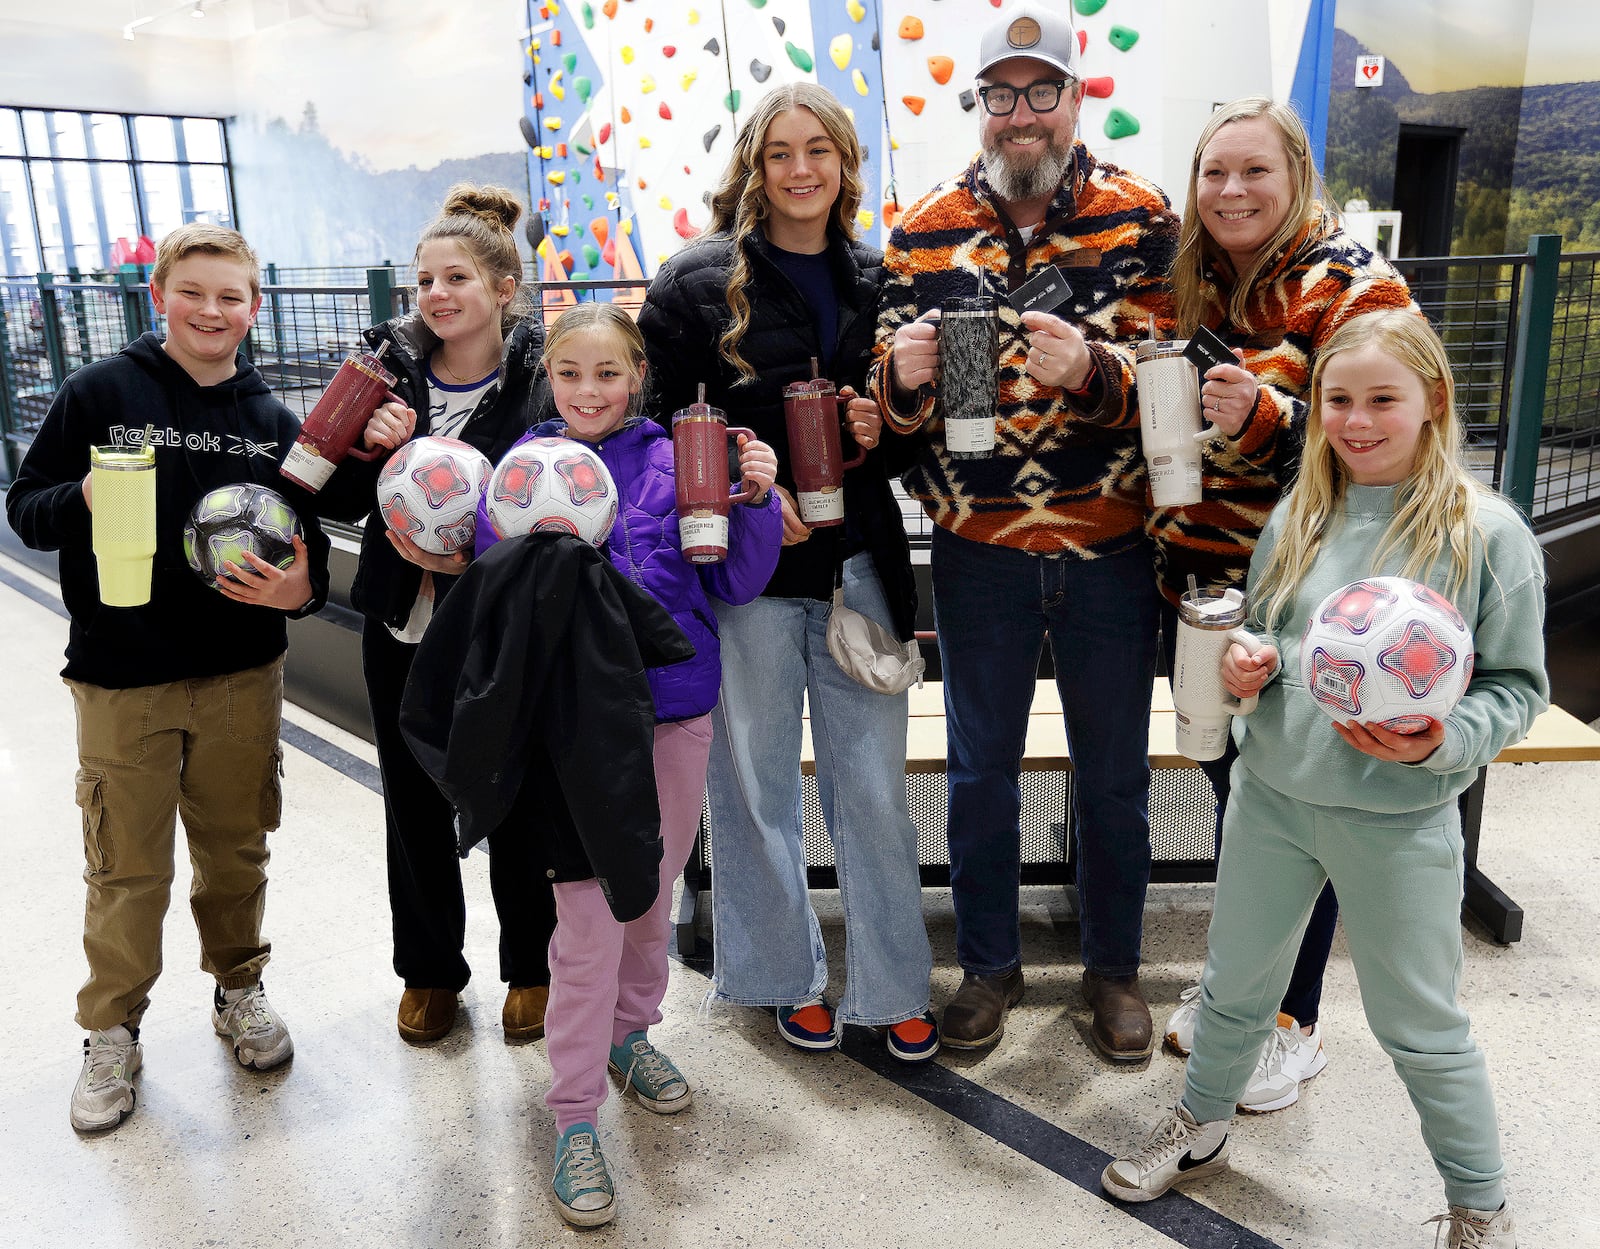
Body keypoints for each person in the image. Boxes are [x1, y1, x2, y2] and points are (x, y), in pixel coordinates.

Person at [1101, 311, 1545, 1249]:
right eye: (1338, 400)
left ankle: (1481, 1204)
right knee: (1233, 986)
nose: (1357, 420)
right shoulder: (1300, 515)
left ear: (1432, 402)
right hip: (1274, 799)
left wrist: (1443, 740)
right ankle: (1202, 1126)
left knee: (1421, 1024)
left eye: (1384, 399)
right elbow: (1270, 634)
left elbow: (1515, 688)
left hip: (1398, 816)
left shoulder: (1487, 535)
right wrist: (1251, 667)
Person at [867, 1, 1177, 1058]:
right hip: (979, 552)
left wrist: (1093, 374)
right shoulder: (922, 229)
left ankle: (1113, 969)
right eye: (1001, 95)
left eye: (1041, 91)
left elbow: (1176, 379)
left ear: (1076, 98)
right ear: (979, 107)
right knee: (978, 772)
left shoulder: (1142, 218)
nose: (1021, 115)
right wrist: (900, 387)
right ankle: (989, 965)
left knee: (1116, 774)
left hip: (1108, 550)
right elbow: (887, 400)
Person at [6, 223, 332, 1131]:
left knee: (236, 850)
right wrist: (84, 497)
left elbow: (306, 548)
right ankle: (111, 1030)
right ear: (161, 296)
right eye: (194, 291)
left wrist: (305, 592)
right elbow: (25, 507)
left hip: (241, 675)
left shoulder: (273, 422)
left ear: (254, 309)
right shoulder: (98, 393)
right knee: (127, 868)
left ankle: (239, 988)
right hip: (122, 678)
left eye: (232, 296)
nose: (212, 311)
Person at [637, 82, 937, 1062]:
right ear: (753, 168)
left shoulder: (881, 277)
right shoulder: (693, 282)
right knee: (755, 785)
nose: (800, 168)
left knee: (873, 791)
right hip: (747, 578)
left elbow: (906, 447)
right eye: (779, 153)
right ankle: (778, 975)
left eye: (819, 150)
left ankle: (894, 984)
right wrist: (739, 489)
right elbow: (653, 436)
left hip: (859, 567)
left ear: (846, 163)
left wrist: (878, 426)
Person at [478, 303, 782, 1227]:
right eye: (571, 374)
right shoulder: (524, 471)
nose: (588, 392)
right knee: (585, 925)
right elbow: (497, 584)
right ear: (550, 379)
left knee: (648, 902)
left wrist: (759, 500)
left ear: (638, 375)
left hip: (676, 710)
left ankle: (631, 1034)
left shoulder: (683, 456)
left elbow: (734, 581)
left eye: (607, 373)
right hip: (572, 730)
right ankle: (573, 1117)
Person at [1152, 97, 1416, 1110]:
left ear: (1295, 172)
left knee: (1289, 818)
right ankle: (1243, 993)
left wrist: (1275, 417)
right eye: (1213, 172)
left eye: (1252, 170)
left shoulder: (1351, 280)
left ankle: (1289, 1021)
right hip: (1202, 595)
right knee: (1238, 807)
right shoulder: (1194, 278)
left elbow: (1395, 433)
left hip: (1310, 605)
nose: (1230, 190)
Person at [340, 185, 558, 1046]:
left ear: (503, 288)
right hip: (402, 623)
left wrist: (481, 553)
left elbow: (561, 505)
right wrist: (373, 446)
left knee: (517, 799)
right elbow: (336, 489)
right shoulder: (386, 376)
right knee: (413, 801)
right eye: (423, 280)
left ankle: (531, 968)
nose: (434, 295)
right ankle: (429, 972)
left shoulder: (540, 382)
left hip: (501, 630)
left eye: (455, 278)